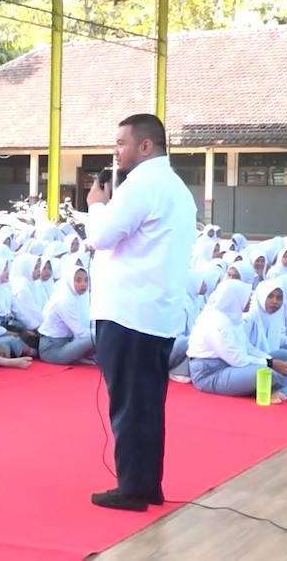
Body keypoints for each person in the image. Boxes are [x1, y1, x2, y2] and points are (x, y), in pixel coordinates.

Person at [83, 113, 197, 512]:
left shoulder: (141, 185)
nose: (116, 151)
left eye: (121, 142)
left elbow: (100, 236)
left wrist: (96, 206)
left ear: (145, 146)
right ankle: (148, 483)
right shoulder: (177, 188)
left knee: (129, 404)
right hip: (156, 313)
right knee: (147, 402)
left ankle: (132, 488)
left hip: (128, 314)